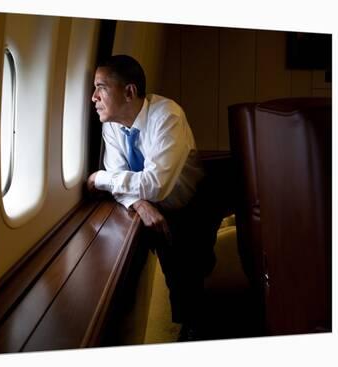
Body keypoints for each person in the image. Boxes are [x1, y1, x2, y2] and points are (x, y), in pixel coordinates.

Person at [86, 54, 219, 341]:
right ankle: (184, 325)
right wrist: (138, 203)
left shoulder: (167, 116)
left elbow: (154, 184)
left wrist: (101, 178)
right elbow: (123, 181)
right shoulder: (111, 125)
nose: (93, 97)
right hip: (155, 204)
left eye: (101, 87)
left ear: (129, 91)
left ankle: (198, 330)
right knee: (174, 276)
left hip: (191, 203)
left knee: (195, 271)